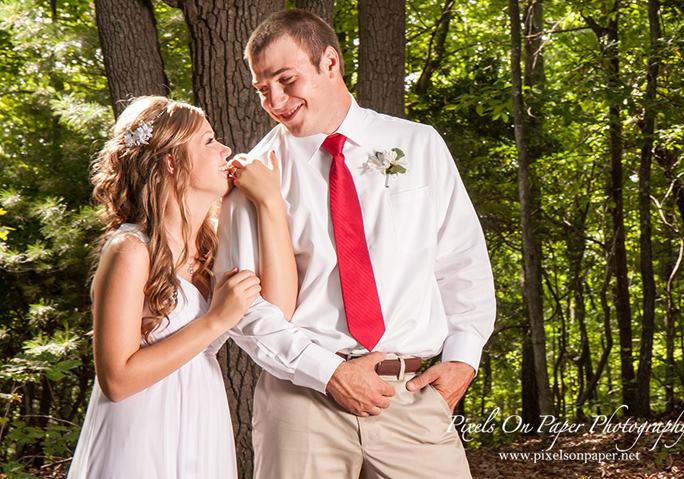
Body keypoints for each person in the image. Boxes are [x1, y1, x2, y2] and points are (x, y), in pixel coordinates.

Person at [216, 8, 496, 479]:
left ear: (330, 63)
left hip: (408, 392)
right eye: (263, 89)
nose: (276, 100)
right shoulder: (254, 173)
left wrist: (464, 358)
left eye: (287, 80)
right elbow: (242, 305)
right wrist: (327, 372)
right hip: (301, 401)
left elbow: (461, 260)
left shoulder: (419, 145)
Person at [67, 96, 295, 479]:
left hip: (202, 418)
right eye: (209, 141)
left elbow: (280, 312)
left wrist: (270, 202)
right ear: (171, 161)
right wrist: (216, 319)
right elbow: (117, 381)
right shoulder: (130, 250)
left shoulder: (212, 250)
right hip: (142, 428)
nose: (225, 149)